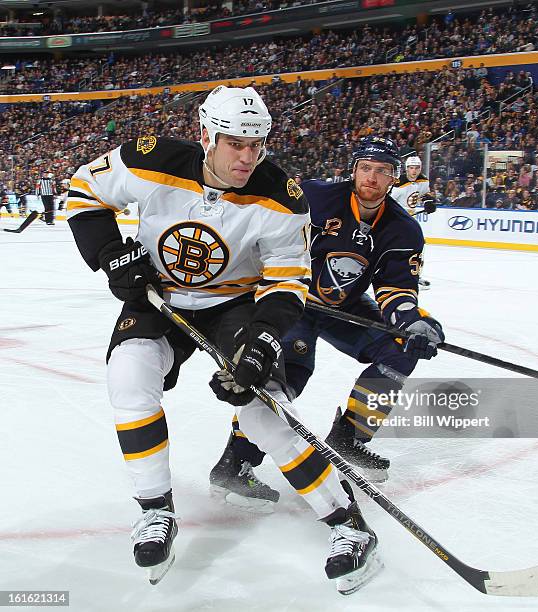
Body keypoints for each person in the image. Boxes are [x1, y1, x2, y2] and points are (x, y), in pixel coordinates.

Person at [66, 85, 380, 593]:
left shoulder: (282, 196)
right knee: (128, 376)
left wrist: (263, 339)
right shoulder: (152, 159)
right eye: (235, 143)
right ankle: (155, 510)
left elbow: (286, 282)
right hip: (158, 297)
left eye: (257, 144)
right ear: (206, 134)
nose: (247, 157)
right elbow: (83, 190)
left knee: (263, 413)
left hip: (234, 307)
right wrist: (111, 255)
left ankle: (348, 524)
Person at [210, 136, 444, 501]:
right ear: (353, 171)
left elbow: (395, 288)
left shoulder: (403, 229)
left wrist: (412, 320)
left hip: (343, 308)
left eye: (382, 171)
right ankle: (234, 465)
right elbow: (265, 233)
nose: (372, 177)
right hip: (293, 301)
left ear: (393, 178)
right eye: (365, 168)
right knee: (285, 378)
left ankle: (348, 439)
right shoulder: (316, 198)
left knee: (400, 349)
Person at [390, 155, 434, 288]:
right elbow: (387, 202)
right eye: (411, 168)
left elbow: (425, 194)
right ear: (406, 169)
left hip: (410, 218)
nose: (414, 171)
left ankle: (415, 274)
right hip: (396, 218)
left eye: (416, 168)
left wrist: (429, 202)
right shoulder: (399, 184)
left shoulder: (423, 180)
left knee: (418, 244)